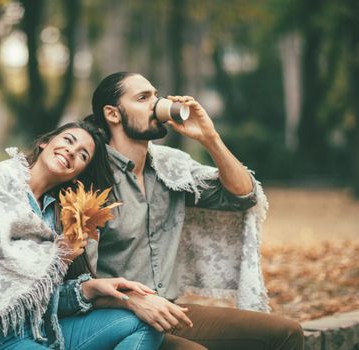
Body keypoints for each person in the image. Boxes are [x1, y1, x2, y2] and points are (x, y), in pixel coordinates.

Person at [85, 72, 305, 350]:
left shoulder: (171, 168)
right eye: (143, 98)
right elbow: (81, 282)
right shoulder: (92, 175)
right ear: (112, 114)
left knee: (287, 333)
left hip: (169, 311)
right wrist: (133, 300)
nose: (157, 104)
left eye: (156, 95)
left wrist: (209, 138)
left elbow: (243, 196)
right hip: (116, 317)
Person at [0, 121, 164, 350]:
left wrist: (93, 287)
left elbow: (46, 298)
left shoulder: (59, 211)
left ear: (78, 173)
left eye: (83, 155)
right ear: (45, 143)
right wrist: (60, 256)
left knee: (147, 324)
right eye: (68, 140)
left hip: (44, 331)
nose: (71, 151)